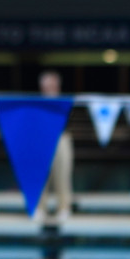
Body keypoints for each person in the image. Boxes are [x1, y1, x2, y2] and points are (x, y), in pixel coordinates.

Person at [35, 70, 74, 222]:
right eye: (47, 85)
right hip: (41, 138)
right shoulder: (36, 103)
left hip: (61, 137)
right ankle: (39, 208)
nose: (50, 87)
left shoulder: (65, 101)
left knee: (63, 175)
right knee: (40, 176)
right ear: (42, 87)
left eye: (53, 84)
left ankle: (64, 207)